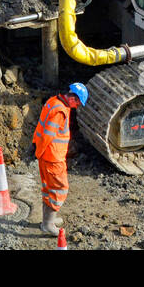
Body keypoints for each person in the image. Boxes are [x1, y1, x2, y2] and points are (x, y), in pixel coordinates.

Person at [32, 83, 87, 235]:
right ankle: (48, 224)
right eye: (77, 103)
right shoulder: (60, 111)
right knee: (58, 189)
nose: (76, 107)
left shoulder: (53, 101)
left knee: (49, 188)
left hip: (49, 156)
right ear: (73, 98)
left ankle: (48, 220)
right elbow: (48, 135)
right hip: (52, 157)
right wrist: (39, 153)